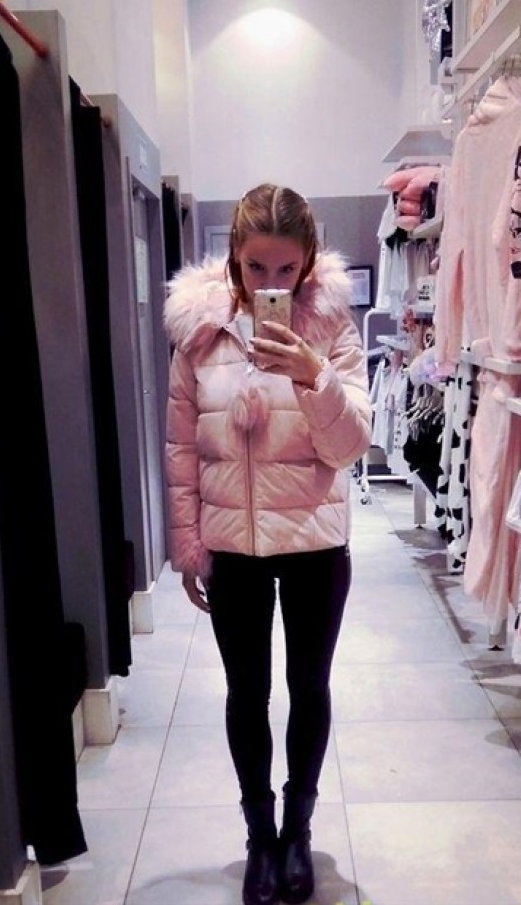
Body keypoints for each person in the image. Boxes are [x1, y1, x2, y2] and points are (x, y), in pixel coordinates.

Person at [163, 183, 371, 905]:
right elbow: (181, 447)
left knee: (308, 688)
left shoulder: (332, 329)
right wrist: (188, 543)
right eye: (257, 268)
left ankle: (297, 834)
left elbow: (349, 447)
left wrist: (315, 376)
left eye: (286, 269)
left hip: (315, 541)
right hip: (233, 547)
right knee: (246, 693)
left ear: (308, 261)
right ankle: (260, 837)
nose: (271, 284)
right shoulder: (199, 333)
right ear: (234, 256)